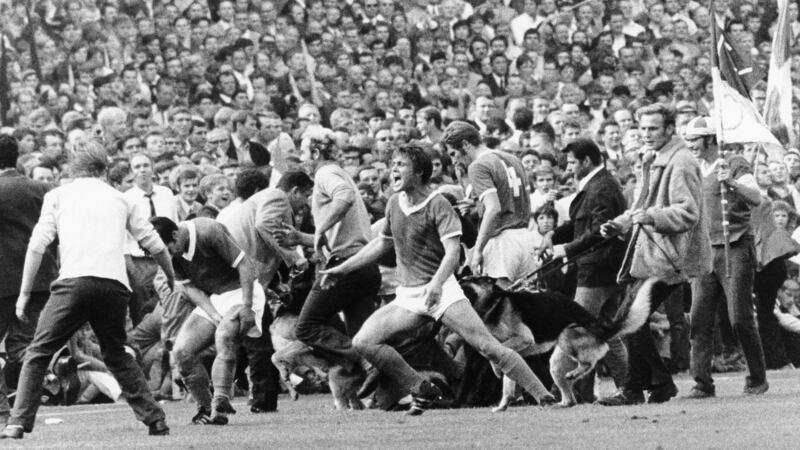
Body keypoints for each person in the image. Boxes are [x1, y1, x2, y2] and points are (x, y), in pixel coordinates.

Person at [322, 145, 555, 415]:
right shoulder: (393, 203)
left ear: (420, 172)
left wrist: (435, 284)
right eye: (393, 164)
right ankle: (422, 388)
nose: (393, 170)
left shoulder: (438, 204)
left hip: (443, 290)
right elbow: (380, 245)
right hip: (409, 296)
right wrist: (343, 269)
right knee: (364, 341)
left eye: (401, 165)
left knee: (488, 347)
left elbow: (453, 253)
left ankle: (545, 396)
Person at [1, 141, 173, 439]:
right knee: (116, 352)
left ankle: (17, 422)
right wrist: (171, 275)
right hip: (115, 286)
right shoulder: (121, 199)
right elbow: (155, 243)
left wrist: (25, 294)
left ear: (72, 167)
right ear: (105, 169)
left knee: (39, 351)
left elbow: (37, 246)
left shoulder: (58, 195)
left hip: (73, 284)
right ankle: (155, 419)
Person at [597, 104, 712, 406]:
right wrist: (620, 224)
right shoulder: (656, 158)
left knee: (629, 320)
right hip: (656, 256)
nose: (646, 134)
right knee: (630, 320)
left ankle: (645, 386)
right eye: (643, 128)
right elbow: (640, 205)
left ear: (669, 130)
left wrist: (650, 217)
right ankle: (651, 386)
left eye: (653, 129)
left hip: (672, 257)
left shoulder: (681, 162)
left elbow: (688, 213)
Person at [151, 216, 266, 425]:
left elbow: (245, 266)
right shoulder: (169, 253)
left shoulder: (208, 231)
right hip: (217, 297)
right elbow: (190, 287)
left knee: (224, 336)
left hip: (244, 290)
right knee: (181, 351)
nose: (164, 258)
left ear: (176, 235)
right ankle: (204, 409)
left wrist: (247, 307)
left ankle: (220, 401)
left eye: (167, 250)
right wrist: (213, 314)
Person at [682, 117, 768, 398]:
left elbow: (756, 197)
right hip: (704, 251)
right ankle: (702, 383)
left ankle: (757, 378)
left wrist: (730, 182)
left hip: (735, 246)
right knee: (699, 319)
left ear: (709, 138)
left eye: (694, 140)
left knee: (739, 318)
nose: (690, 146)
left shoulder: (733, 161)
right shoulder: (692, 168)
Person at [220, 170, 316, 412]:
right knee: (258, 341)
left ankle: (222, 391)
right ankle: (263, 401)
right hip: (244, 279)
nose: (306, 202)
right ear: (294, 191)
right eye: (305, 195)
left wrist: (272, 285)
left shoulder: (262, 199)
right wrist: (294, 258)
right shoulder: (277, 197)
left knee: (241, 337)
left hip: (241, 278)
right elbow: (266, 225)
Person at [293, 133, 380, 379]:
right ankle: (394, 392)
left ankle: (365, 363)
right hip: (364, 264)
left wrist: (320, 229)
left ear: (316, 154)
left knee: (306, 327)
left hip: (345, 266)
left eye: (303, 152)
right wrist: (302, 238)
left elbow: (345, 196)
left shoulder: (325, 173)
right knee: (364, 337)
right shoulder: (339, 173)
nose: (301, 158)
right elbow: (342, 232)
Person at [550, 138, 629, 402]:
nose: (568, 168)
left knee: (572, 331)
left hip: (596, 270)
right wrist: (552, 237)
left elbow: (600, 231)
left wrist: (567, 249)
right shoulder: (598, 185)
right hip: (603, 269)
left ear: (586, 161)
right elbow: (582, 226)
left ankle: (557, 393)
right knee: (608, 332)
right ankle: (628, 389)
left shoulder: (601, 188)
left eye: (572, 163)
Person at [0, 135, 59, 421]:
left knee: (19, 347)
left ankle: (1, 412)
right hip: (40, 279)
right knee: (24, 346)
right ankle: (29, 406)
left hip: (3, 282)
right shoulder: (43, 189)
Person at [441, 121, 537, 287]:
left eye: (453, 153)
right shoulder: (513, 159)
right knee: (528, 307)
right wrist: (477, 203)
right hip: (526, 238)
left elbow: (493, 208)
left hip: (502, 243)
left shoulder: (478, 165)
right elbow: (520, 200)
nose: (454, 160)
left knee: (498, 307)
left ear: (465, 144)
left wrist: (478, 249)